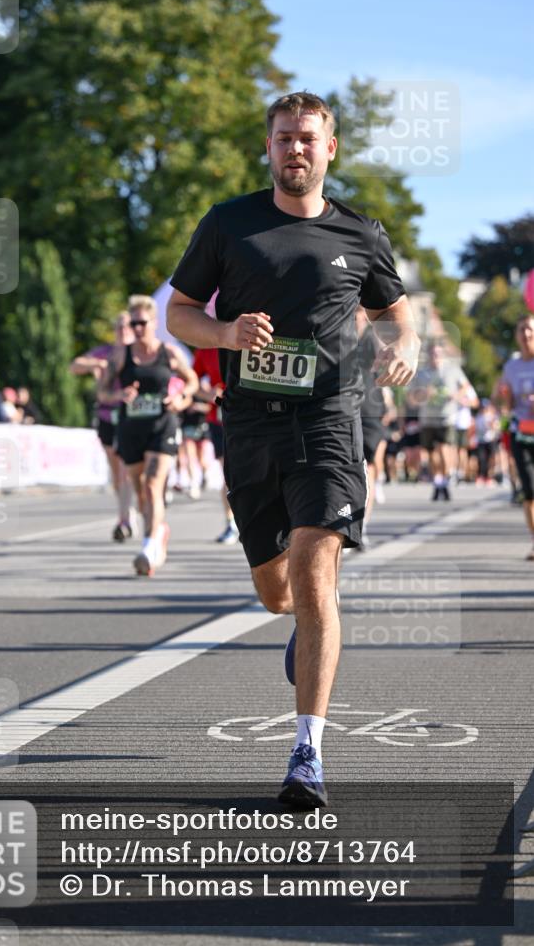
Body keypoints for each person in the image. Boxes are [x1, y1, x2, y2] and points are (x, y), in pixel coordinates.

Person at [167, 90, 419, 806]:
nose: (295, 149)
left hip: (329, 422)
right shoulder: (228, 223)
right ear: (269, 147)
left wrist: (403, 346)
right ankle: (305, 627)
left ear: (329, 148)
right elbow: (179, 313)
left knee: (314, 580)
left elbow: (396, 315)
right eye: (283, 138)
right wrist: (224, 334)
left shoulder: (360, 233)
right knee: (277, 594)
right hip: (251, 424)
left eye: (307, 138)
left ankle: (307, 753)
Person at [109, 295, 198, 576]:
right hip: (131, 430)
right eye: (133, 323)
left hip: (163, 426)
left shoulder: (169, 353)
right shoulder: (120, 356)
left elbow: (192, 381)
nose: (137, 329)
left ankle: (148, 547)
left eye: (142, 323)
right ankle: (159, 530)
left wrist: (181, 398)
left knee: (152, 485)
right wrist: (119, 395)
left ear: (154, 323)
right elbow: (102, 391)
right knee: (141, 493)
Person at [71, 312, 136, 541]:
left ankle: (124, 519)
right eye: (119, 326)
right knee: (116, 471)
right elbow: (75, 366)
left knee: (126, 468)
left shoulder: (137, 352)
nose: (123, 330)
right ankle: (126, 511)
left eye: (127, 326)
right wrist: (98, 364)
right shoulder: (105, 352)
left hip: (130, 416)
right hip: (107, 415)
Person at [408, 343, 477, 501]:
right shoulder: (421, 373)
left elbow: (466, 386)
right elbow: (412, 397)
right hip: (427, 418)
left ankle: (445, 480)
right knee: (431, 453)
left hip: (446, 417)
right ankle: (438, 483)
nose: (435, 357)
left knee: (445, 450)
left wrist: (456, 395)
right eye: (432, 354)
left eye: (438, 353)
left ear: (443, 355)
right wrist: (424, 394)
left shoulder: (452, 370)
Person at [355, 306, 396, 549]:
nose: (356, 318)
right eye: (353, 313)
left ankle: (362, 525)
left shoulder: (372, 337)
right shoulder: (337, 335)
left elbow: (385, 362)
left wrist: (389, 402)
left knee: (368, 467)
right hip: (341, 409)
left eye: (360, 313)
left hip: (370, 411)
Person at [193, 345, 239, 544]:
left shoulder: (249, 336)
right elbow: (191, 380)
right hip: (219, 420)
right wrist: (208, 394)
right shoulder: (206, 348)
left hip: (252, 415)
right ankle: (231, 524)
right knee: (229, 473)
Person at [499, 316, 534, 559]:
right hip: (521, 432)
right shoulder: (511, 367)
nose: (526, 334)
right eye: (522, 330)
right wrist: (506, 398)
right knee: (529, 490)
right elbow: (508, 404)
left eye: (530, 329)